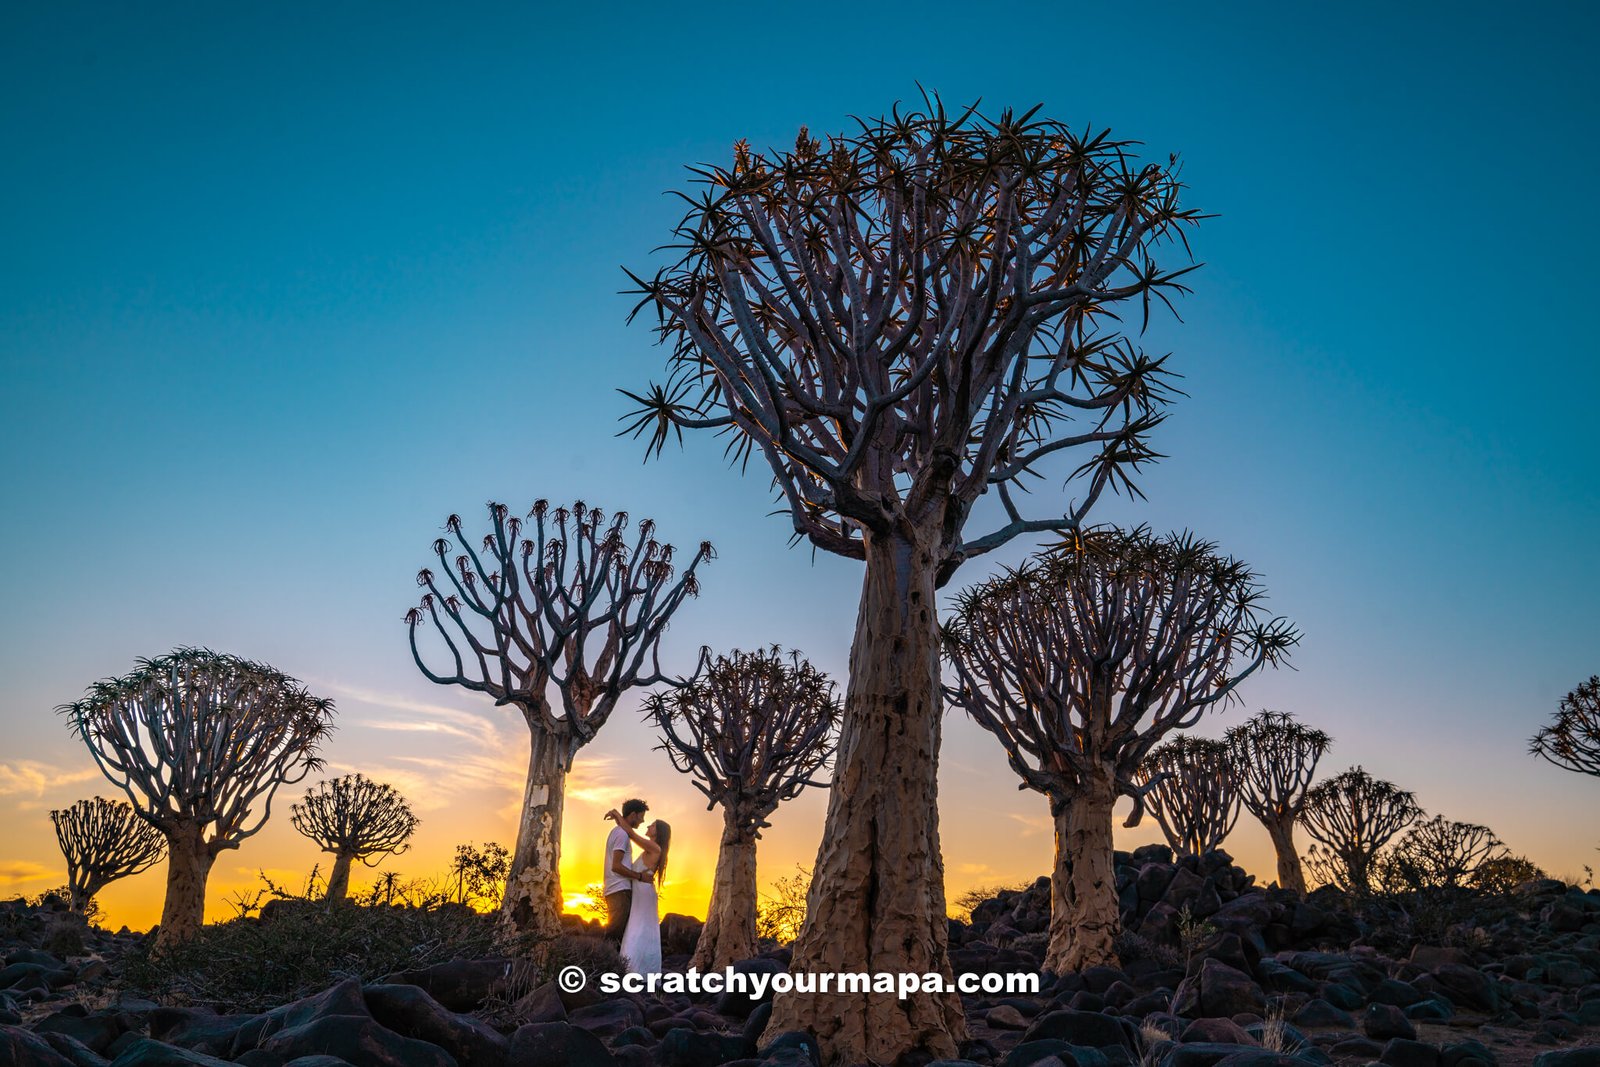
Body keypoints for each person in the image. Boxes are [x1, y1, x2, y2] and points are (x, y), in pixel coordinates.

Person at [605, 807, 671, 974]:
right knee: (635, 927)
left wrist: (617, 815)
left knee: (641, 927)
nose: (648, 826)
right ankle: (633, 968)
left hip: (643, 891)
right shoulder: (650, 849)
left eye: (653, 825)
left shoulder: (654, 848)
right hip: (641, 890)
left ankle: (640, 970)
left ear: (658, 832)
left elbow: (631, 834)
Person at [603, 798, 650, 946]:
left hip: (616, 889)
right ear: (634, 814)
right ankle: (602, 965)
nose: (642, 821)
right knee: (615, 935)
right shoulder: (622, 835)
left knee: (617, 936)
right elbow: (616, 866)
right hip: (619, 890)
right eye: (641, 816)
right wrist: (640, 876)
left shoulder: (619, 832)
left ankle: (608, 965)